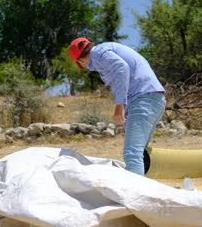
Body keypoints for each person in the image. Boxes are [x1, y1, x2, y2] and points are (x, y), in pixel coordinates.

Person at [68, 37, 166, 176]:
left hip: (143, 99)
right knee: (140, 153)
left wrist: (120, 105)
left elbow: (122, 68)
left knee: (132, 154)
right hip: (154, 99)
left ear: (81, 61)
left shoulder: (99, 53)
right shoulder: (106, 50)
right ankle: (143, 191)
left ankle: (132, 196)